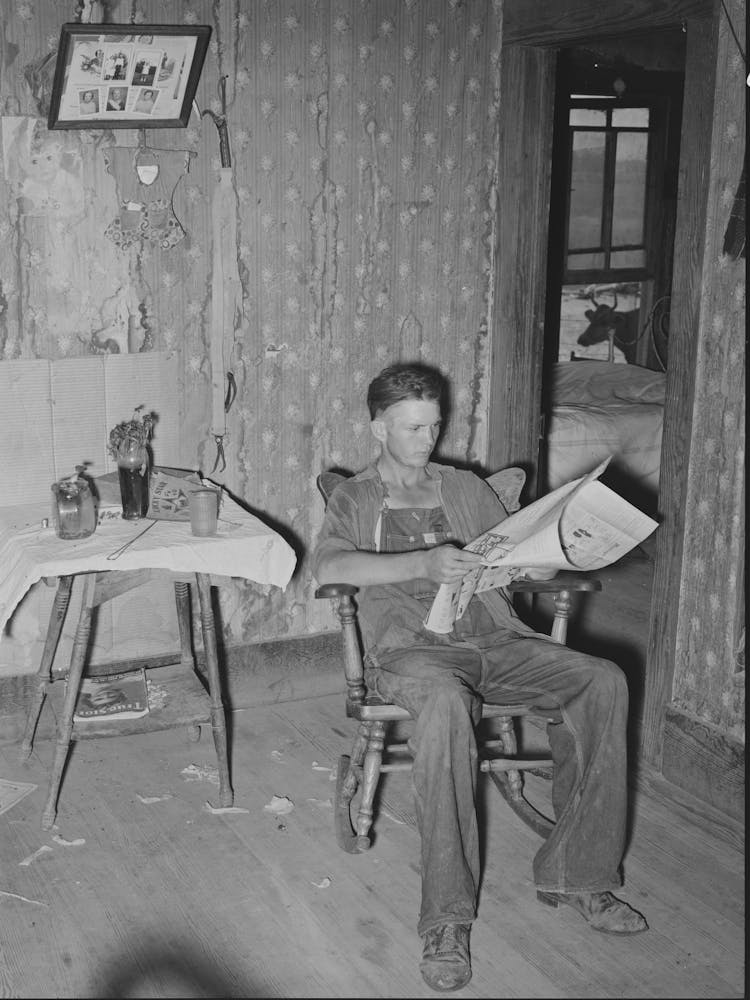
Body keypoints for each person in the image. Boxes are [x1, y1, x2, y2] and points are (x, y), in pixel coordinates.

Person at [312, 361, 648, 992]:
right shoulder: (357, 497)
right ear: (379, 428)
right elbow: (328, 567)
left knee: (602, 680)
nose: (427, 440)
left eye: (434, 426)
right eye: (412, 428)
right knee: (443, 704)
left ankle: (581, 876)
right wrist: (422, 563)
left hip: (494, 639)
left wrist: (547, 559)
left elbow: (513, 550)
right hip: (413, 653)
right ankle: (446, 920)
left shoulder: (464, 487)